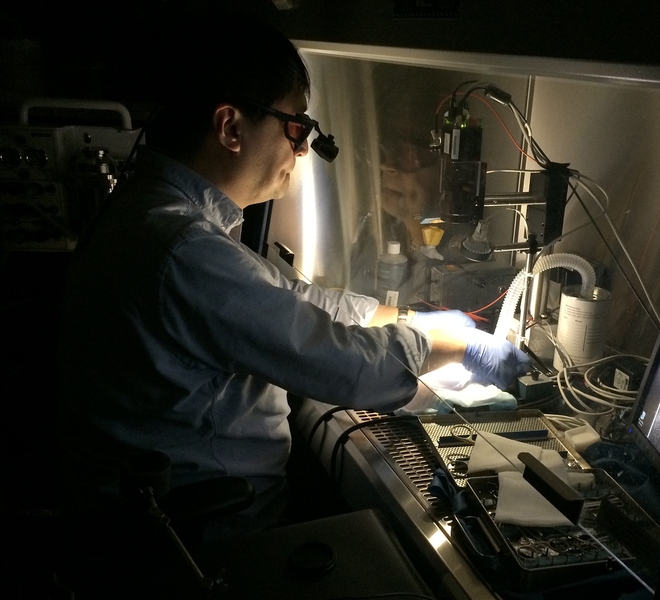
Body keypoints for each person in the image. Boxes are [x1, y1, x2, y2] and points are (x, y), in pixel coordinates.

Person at [56, 16, 530, 537]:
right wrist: (455, 346)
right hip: (207, 535)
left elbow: (288, 301)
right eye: (296, 126)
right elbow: (344, 366)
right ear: (231, 127)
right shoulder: (185, 252)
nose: (302, 149)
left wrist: (413, 316)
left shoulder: (154, 216)